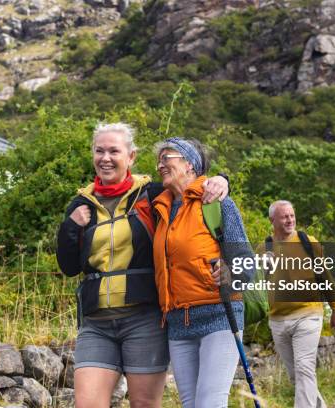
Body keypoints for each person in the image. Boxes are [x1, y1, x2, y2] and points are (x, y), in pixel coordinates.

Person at [56, 123, 229, 408]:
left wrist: (222, 180)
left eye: (114, 151)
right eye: (99, 151)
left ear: (131, 156)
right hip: (96, 321)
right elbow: (69, 266)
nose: (106, 158)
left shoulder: (152, 194)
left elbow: (192, 188)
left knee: (144, 405)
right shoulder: (80, 203)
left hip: (144, 319)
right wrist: (71, 227)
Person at [151, 137, 254, 408]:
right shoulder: (160, 208)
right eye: (158, 159)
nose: (160, 164)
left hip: (219, 314)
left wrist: (232, 274)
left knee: (209, 404)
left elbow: (246, 261)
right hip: (177, 322)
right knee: (191, 404)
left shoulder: (216, 203)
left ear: (190, 164)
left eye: (167, 157)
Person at [262, 200, 335, 408]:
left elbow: (325, 277)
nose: (290, 220)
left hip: (308, 314)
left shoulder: (308, 241)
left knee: (304, 368)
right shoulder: (265, 247)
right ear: (272, 220)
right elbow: (259, 283)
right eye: (284, 216)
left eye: (291, 215)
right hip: (278, 320)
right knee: (296, 377)